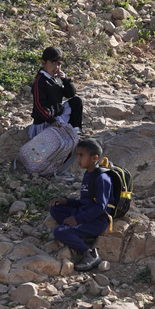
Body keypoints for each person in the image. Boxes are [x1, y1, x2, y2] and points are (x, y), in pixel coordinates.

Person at [49, 138, 112, 272]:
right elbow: (85, 202)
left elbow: (101, 207)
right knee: (56, 209)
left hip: (97, 221)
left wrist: (78, 219)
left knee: (59, 231)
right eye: (77, 155)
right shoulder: (88, 174)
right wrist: (67, 201)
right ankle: (77, 231)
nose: (78, 159)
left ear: (94, 158)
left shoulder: (102, 179)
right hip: (85, 214)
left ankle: (90, 254)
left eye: (81, 155)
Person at [31, 46, 83, 137]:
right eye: (53, 63)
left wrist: (66, 80)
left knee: (77, 101)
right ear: (43, 62)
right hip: (46, 120)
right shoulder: (40, 81)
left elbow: (70, 94)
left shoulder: (56, 78)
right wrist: (51, 120)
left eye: (59, 64)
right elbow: (39, 105)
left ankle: (75, 130)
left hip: (58, 114)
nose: (56, 67)